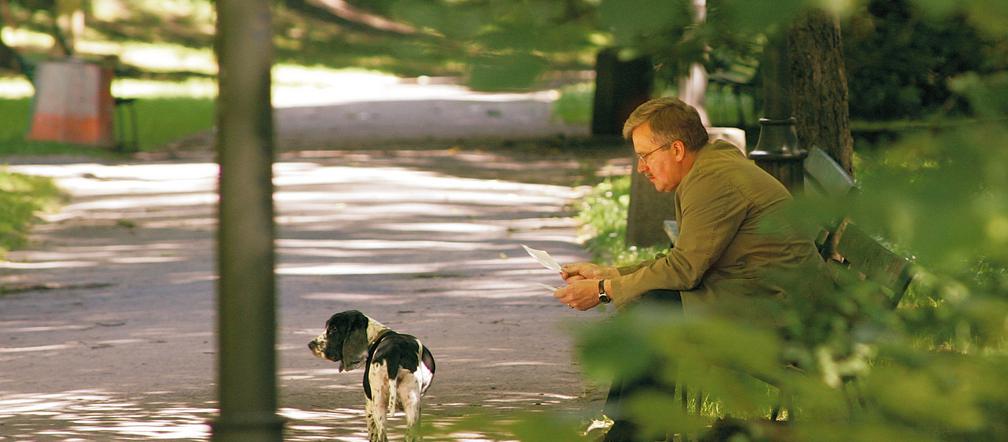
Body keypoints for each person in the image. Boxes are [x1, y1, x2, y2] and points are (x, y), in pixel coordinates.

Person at [553, 97, 825, 441]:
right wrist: (610, 275)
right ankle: (632, 431)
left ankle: (633, 434)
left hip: (785, 324)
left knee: (655, 311)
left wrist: (604, 291)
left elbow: (684, 270)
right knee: (654, 306)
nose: (641, 168)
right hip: (766, 302)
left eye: (645, 156)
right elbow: (683, 260)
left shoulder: (713, 180)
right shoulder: (710, 167)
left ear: (677, 149)